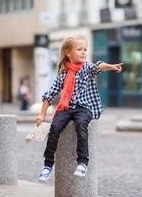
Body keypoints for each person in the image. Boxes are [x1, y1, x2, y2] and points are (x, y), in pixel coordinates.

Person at [36, 36, 123, 181]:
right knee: (54, 128)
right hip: (66, 107)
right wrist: (41, 115)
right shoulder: (63, 74)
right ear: (68, 53)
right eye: (79, 49)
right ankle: (48, 165)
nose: (83, 52)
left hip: (84, 107)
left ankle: (82, 163)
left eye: (85, 50)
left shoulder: (86, 68)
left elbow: (98, 66)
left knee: (81, 125)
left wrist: (111, 67)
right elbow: (49, 95)